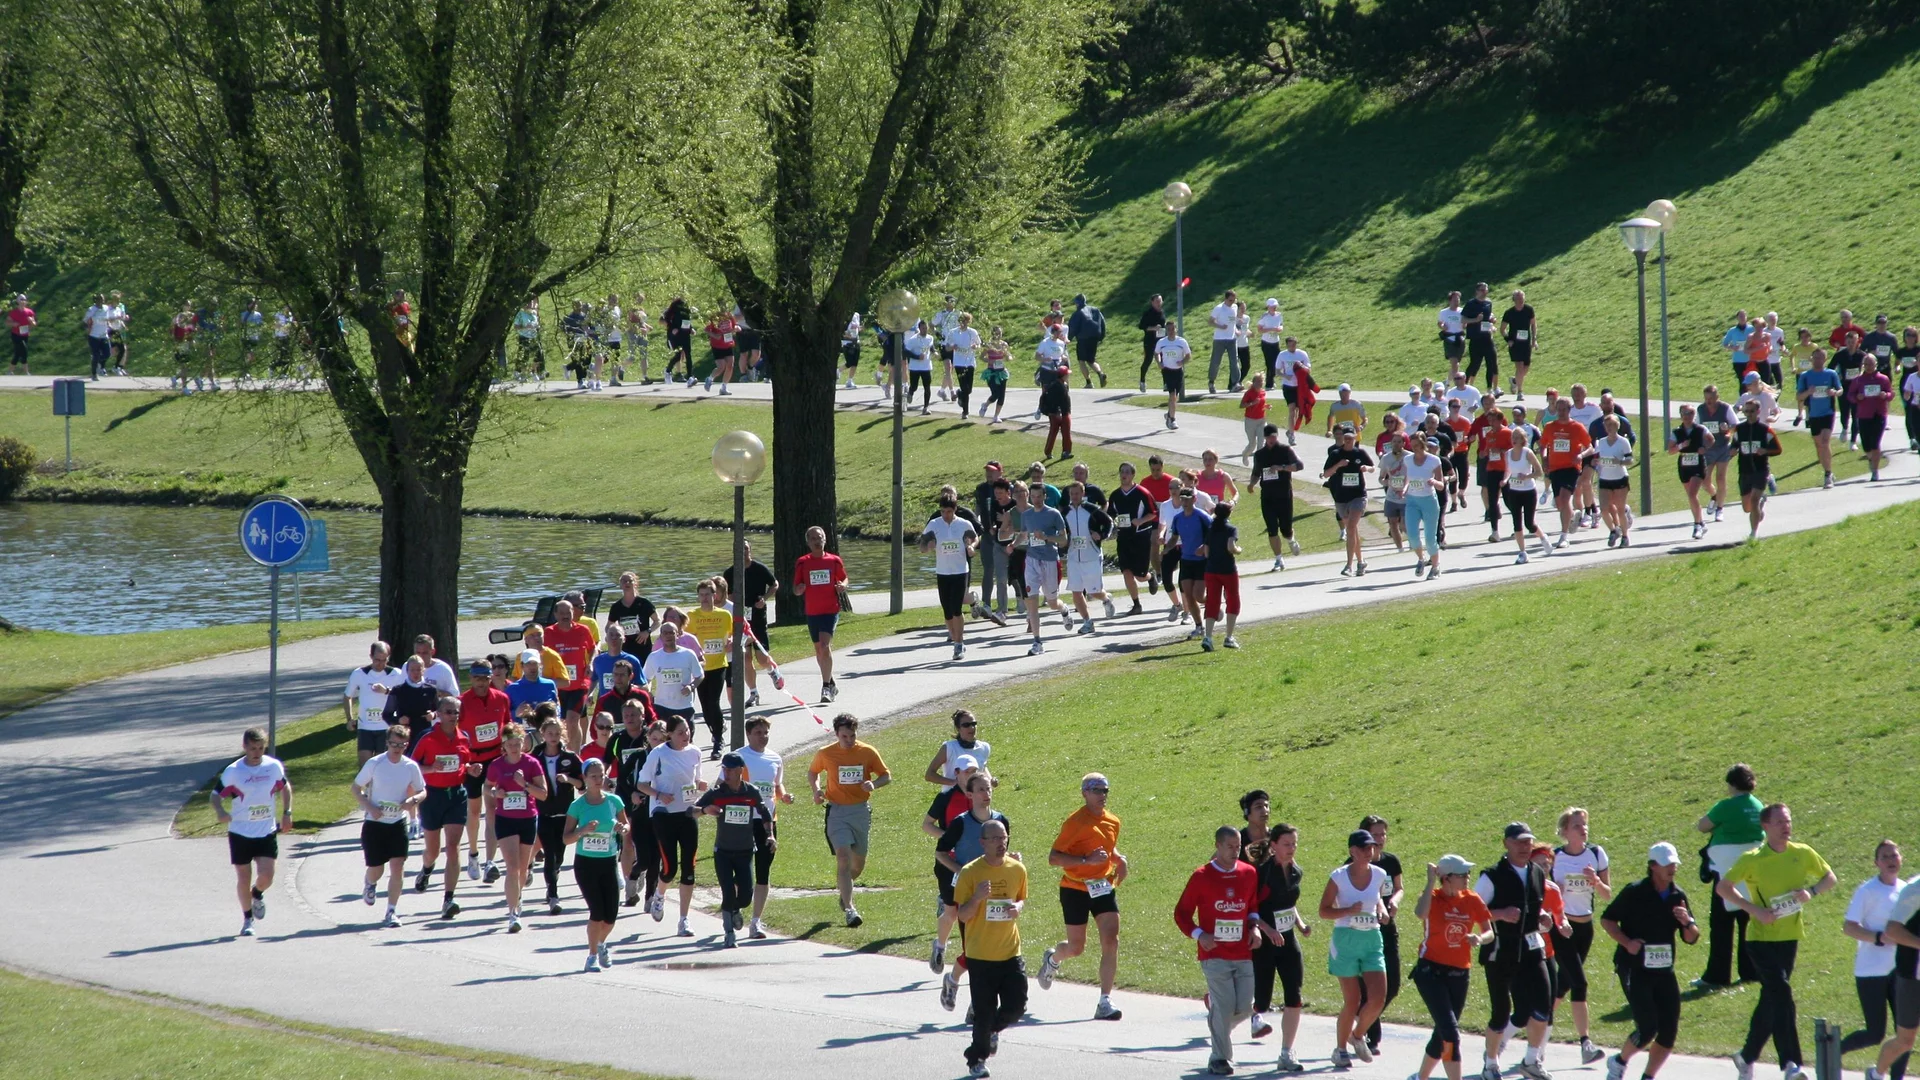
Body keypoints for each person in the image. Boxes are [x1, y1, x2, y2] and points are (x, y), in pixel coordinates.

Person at [1720, 804, 1837, 1080]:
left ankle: (1746, 1056)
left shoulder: (1802, 853)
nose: (1786, 826)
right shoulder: (1753, 858)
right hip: (1760, 940)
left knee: (1771, 1000)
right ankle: (1790, 1064)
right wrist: (1754, 910)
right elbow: (1724, 887)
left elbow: (1829, 878)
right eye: (1780, 822)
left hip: (1789, 938)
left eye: (1788, 821)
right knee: (1782, 994)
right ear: (1765, 826)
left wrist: (1811, 892)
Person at [1600, 843, 1701, 1080]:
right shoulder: (1635, 892)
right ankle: (1619, 1062)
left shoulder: (1678, 895)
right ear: (1653, 866)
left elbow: (1692, 937)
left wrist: (1687, 922)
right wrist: (1627, 942)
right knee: (1647, 1028)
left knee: (1669, 1031)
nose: (1672, 868)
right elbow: (1608, 920)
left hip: (1664, 971)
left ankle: (1648, 1076)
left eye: (1674, 863)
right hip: (1634, 968)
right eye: (1666, 864)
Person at [1037, 773, 1128, 1021]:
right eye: (1096, 790)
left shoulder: (1113, 821)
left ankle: (1104, 1000)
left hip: (1103, 886)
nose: (1102, 795)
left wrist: (1119, 859)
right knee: (1076, 948)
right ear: (1084, 793)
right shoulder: (1074, 823)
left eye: (1105, 790)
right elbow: (1054, 857)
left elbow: (1107, 846)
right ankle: (1053, 958)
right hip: (1074, 888)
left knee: (1111, 940)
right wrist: (1086, 861)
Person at [1176, 826, 1260, 1077]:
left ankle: (1216, 1020)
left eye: (1238, 846)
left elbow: (1252, 905)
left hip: (1243, 952)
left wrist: (1254, 928)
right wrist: (1200, 935)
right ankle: (1220, 1058)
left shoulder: (1249, 873)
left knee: (1245, 1007)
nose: (1235, 852)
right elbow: (1181, 914)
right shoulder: (1202, 876)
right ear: (1218, 846)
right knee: (1224, 1008)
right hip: (1214, 954)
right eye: (1230, 846)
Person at [1476, 822, 1554, 1080]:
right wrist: (1500, 914)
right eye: (1519, 841)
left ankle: (1531, 1060)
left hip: (1532, 948)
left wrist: (1543, 918)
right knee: (1500, 1012)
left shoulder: (1537, 872)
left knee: (1543, 1005)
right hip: (1501, 949)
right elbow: (1472, 911)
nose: (1524, 846)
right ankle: (1490, 1064)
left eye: (1528, 841)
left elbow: (1536, 905)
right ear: (1506, 843)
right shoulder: (1491, 876)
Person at [955, 818, 1027, 1078]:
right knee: (983, 1013)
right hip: (980, 955)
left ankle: (991, 1031)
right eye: (995, 839)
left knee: (1017, 1006)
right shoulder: (970, 873)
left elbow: (1020, 899)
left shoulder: (1017, 869)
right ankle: (976, 1059)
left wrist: (1018, 908)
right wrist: (976, 898)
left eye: (1004, 837)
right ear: (982, 842)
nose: (1001, 843)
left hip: (1010, 952)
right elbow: (962, 915)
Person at [1241, 800, 1310, 1071]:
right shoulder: (1261, 873)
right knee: (1262, 999)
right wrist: (1267, 930)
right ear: (1273, 846)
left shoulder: (1296, 871)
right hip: (1264, 942)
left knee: (1294, 995)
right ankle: (1224, 1022)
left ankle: (1287, 1052)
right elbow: (1251, 906)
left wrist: (1301, 924)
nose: (1292, 849)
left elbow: (1288, 903)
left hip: (1288, 941)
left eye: (1294, 844)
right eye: (1287, 844)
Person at [1412, 855, 1494, 1080]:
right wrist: (1430, 882)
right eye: (1462, 874)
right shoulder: (1433, 897)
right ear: (1446, 878)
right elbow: (1420, 913)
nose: (1468, 877)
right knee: (1451, 1033)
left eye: (1468, 873)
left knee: (1442, 1033)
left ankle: (1421, 1077)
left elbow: (1489, 931)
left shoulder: (1472, 899)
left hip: (1460, 973)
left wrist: (1479, 938)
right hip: (1431, 972)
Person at [810, 713, 891, 927]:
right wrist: (817, 790)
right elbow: (813, 772)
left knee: (858, 863)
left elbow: (886, 775)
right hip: (837, 812)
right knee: (843, 858)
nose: (849, 740)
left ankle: (845, 891)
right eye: (845, 736)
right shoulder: (826, 753)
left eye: (852, 735)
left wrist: (874, 784)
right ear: (836, 734)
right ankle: (850, 909)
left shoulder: (867, 751)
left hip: (860, 812)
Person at [213, 727, 292, 937]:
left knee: (267, 876)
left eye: (260, 748)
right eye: (252, 748)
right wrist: (220, 811)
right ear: (244, 747)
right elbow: (215, 795)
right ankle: (247, 919)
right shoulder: (233, 771)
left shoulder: (273, 767)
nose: (257, 753)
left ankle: (257, 893)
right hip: (240, 832)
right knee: (243, 877)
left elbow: (285, 788)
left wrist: (287, 813)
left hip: (266, 830)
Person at [1844, 841, 1913, 1080]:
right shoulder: (1867, 891)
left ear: (1901, 859)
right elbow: (1849, 927)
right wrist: (1878, 938)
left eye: (1894, 855)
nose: (1891, 860)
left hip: (1900, 971)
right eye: (1884, 857)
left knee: (1904, 1034)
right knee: (1875, 1033)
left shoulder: (1906, 890)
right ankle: (1831, 1052)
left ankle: (1894, 1076)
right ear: (1877, 863)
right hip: (1870, 970)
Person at [632, 714, 706, 935]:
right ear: (670, 734)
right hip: (662, 813)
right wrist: (659, 794)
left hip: (687, 813)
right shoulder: (658, 754)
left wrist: (700, 786)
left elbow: (696, 782)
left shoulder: (695, 753)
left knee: (689, 868)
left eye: (687, 731)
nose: (686, 735)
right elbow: (642, 784)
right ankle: (659, 895)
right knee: (670, 867)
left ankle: (684, 920)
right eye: (681, 732)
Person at [1550, 808, 1613, 1064]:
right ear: (1565, 831)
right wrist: (1557, 890)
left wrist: (1595, 881)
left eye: (1584, 824)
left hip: (1585, 929)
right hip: (1561, 927)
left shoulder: (1596, 854)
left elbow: (1608, 895)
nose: (1583, 829)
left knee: (1561, 985)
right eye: (1576, 825)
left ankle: (1532, 1028)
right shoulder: (1555, 858)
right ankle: (1586, 1043)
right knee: (1579, 983)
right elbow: (1542, 893)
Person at [1694, 763, 1764, 986]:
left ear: (1732, 784)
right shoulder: (1757, 805)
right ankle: (1750, 970)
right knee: (1747, 920)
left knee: (1721, 923)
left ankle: (1717, 974)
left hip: (1726, 870)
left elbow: (1702, 826)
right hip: (1751, 873)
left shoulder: (1725, 806)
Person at [350, 723, 425, 927]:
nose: (396, 748)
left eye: (401, 745)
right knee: (377, 869)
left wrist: (413, 801)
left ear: (406, 745)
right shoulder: (375, 763)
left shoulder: (410, 767)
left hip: (397, 823)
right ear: (386, 743)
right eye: (393, 744)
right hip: (374, 824)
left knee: (398, 866)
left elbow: (422, 790)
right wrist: (370, 807)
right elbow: (356, 788)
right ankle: (370, 883)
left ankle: (391, 911)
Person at [410, 700, 479, 919]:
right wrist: (431, 768)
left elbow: (464, 763)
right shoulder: (427, 737)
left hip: (456, 795)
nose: (453, 716)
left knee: (452, 846)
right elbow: (411, 767)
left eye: (456, 712)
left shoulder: (464, 738)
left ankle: (448, 899)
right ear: (439, 714)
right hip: (432, 796)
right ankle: (427, 869)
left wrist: (472, 769)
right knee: (433, 850)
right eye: (448, 712)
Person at [696, 752, 771, 948]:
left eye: (730, 769)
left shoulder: (751, 792)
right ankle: (729, 933)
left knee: (746, 895)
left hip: (745, 851)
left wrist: (769, 834)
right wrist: (705, 810)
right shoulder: (717, 793)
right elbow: (691, 811)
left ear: (740, 770)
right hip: (723, 852)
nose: (726, 773)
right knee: (728, 892)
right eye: (724, 769)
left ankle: (736, 909)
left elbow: (765, 813)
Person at [565, 758, 629, 971]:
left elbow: (625, 824)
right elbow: (566, 838)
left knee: (611, 916)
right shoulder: (578, 806)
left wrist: (622, 828)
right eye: (593, 776)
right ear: (584, 778)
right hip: (586, 864)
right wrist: (582, 831)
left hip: (609, 862)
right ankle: (592, 955)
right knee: (597, 912)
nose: (599, 779)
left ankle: (601, 943)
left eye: (601, 775)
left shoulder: (614, 801)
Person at [483, 723, 548, 933]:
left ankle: (517, 900)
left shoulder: (532, 764)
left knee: (521, 868)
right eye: (510, 744)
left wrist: (524, 785)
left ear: (524, 743)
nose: (514, 747)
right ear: (504, 745)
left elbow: (543, 794)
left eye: (517, 743)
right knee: (511, 867)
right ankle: (513, 913)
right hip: (505, 819)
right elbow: (486, 786)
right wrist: (495, 793)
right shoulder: (496, 765)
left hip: (527, 818)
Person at [737, 717, 791, 939]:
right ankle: (735, 907)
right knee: (741, 868)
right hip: (743, 820)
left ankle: (756, 922)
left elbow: (776, 786)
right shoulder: (738, 757)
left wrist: (785, 795)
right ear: (749, 734)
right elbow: (724, 785)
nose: (763, 736)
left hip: (768, 821)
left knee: (763, 870)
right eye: (758, 732)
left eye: (766, 732)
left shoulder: (775, 758)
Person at [459, 659, 513, 881]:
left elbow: (508, 726)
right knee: (474, 810)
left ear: (491, 677)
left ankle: (490, 861)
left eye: (485, 678)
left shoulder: (501, 698)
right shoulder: (462, 702)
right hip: (473, 762)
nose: (481, 683)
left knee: (492, 809)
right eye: (477, 678)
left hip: (494, 759)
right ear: (471, 678)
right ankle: (473, 853)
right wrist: (466, 763)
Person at [1863, 876, 1920, 1080]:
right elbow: (1893, 930)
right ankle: (1876, 1074)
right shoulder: (1915, 889)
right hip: (1912, 976)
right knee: (1905, 1041)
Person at [530, 714, 583, 916]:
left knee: (559, 854)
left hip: (565, 813)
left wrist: (568, 779)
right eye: (549, 733)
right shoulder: (534, 757)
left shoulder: (570, 757)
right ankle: (553, 894)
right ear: (542, 734)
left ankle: (553, 877)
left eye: (557, 733)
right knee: (550, 854)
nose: (553, 737)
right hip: (543, 812)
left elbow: (583, 784)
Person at [792, 526, 849, 702]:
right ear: (808, 542)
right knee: (819, 650)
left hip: (830, 609)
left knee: (825, 646)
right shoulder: (803, 562)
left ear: (825, 539)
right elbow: (795, 588)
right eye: (813, 539)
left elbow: (844, 578)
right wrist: (799, 589)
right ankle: (830, 681)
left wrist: (843, 586)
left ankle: (825, 689)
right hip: (812, 611)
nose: (817, 541)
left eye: (820, 538)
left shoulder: (834, 560)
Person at [683, 580, 734, 759]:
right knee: (705, 707)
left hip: (719, 664)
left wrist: (733, 641)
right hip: (700, 667)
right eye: (702, 595)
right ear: (698, 596)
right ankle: (717, 728)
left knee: (714, 702)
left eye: (708, 594)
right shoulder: (691, 616)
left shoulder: (724, 615)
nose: (705, 598)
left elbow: (735, 633)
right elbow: (685, 639)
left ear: (715, 596)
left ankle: (718, 740)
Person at [1017, 480, 1070, 656]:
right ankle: (1037, 641)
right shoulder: (1027, 515)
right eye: (1033, 497)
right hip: (1032, 560)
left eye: (1040, 496)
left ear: (1045, 496)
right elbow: (1024, 534)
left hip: (1049, 561)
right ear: (1030, 497)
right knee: (1031, 601)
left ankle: (1064, 609)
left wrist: (1047, 537)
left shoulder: (1054, 514)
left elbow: (1063, 540)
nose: (1037, 499)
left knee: (1052, 602)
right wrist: (1013, 544)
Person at [1248, 424, 1304, 571]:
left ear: (1277, 436)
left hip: (1284, 495)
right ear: (1265, 438)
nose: (1271, 439)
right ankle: (1279, 559)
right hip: (1267, 496)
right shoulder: (1259, 454)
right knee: (1272, 529)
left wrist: (1282, 468)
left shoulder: (1285, 450)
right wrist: (1251, 484)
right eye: (1268, 437)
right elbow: (1256, 472)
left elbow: (1299, 465)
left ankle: (1291, 540)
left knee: (1285, 529)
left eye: (1273, 436)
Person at [1107, 463, 1159, 614]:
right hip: (1124, 537)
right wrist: (1112, 525)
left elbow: (1153, 512)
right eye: (1122, 471)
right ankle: (1136, 604)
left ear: (1133, 475)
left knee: (1139, 575)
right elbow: (1111, 514)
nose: (1124, 475)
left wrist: (1140, 521)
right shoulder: (1115, 495)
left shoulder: (1142, 493)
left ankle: (1150, 577)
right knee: (1126, 571)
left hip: (1141, 536)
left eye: (1127, 472)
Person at [1325, 425, 1374, 576]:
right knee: (1353, 531)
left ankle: (1348, 565)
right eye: (1345, 439)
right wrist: (1338, 465)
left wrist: (1366, 468)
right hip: (1341, 497)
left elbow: (1372, 467)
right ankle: (1361, 561)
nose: (1348, 441)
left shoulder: (1360, 452)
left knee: (1351, 527)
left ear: (1355, 438)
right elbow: (1326, 474)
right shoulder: (1335, 454)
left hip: (1358, 496)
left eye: (1351, 439)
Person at [1732, 398, 1783, 543]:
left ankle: (1753, 534)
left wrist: (1765, 451)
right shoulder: (1739, 429)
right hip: (1744, 471)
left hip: (1760, 470)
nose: (1749, 414)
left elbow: (1778, 450)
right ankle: (1761, 503)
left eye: (1752, 411)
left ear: (1758, 412)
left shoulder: (1765, 430)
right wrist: (1732, 451)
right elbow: (1734, 445)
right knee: (1747, 508)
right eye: (1746, 411)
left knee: (1753, 502)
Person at [344, 640, 400, 765]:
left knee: (382, 767)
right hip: (365, 727)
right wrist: (349, 719)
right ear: (371, 657)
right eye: (377, 660)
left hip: (386, 727)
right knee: (365, 768)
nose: (380, 664)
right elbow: (347, 696)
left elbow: (404, 696)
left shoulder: (396, 674)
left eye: (384, 660)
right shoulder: (359, 673)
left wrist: (386, 691)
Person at [1500, 430, 1552, 562]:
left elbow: (1539, 472)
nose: (1514, 440)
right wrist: (1505, 480)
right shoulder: (1508, 454)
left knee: (1529, 523)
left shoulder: (1527, 453)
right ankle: (1522, 553)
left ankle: (1543, 538)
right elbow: (1508, 470)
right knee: (1516, 523)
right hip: (1514, 491)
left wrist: (1527, 476)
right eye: (1513, 437)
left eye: (1517, 437)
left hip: (1528, 491)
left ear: (1523, 439)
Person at [1585, 415, 1635, 548]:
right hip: (1605, 479)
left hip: (1619, 479)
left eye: (1612, 425)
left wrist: (1620, 462)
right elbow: (1595, 458)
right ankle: (1614, 530)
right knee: (1604, 509)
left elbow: (1630, 460)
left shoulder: (1623, 441)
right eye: (1607, 426)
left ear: (1617, 426)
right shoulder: (1601, 442)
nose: (1610, 428)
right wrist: (1595, 462)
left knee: (1619, 509)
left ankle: (1625, 536)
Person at [1797, 348, 1843, 488]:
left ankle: (1828, 474)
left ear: (1825, 359)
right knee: (1818, 444)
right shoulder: (1805, 376)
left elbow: (1840, 390)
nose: (1818, 360)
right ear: (1812, 359)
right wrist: (1808, 392)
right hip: (1814, 414)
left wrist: (1834, 392)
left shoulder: (1831, 374)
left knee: (1824, 441)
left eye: (1821, 358)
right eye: (1815, 358)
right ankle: (1826, 468)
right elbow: (1799, 397)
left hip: (1828, 412)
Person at [1201, 501, 1243, 649]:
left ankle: (1208, 637)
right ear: (1229, 513)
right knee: (1232, 600)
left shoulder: (1211, 529)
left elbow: (1206, 552)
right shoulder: (1231, 529)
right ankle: (1229, 637)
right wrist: (1239, 550)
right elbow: (1230, 547)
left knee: (1212, 601)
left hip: (1211, 570)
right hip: (1228, 569)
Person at [1404, 435, 1447, 580]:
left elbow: (1441, 485)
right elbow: (1407, 479)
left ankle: (1435, 566)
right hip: (1412, 501)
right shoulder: (1408, 460)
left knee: (1430, 538)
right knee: (1412, 536)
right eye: (1412, 444)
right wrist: (1404, 489)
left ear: (1423, 444)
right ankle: (1421, 559)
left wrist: (1434, 481)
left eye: (1417, 444)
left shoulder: (1434, 460)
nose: (1414, 447)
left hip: (1429, 501)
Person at [1668, 405, 1710, 540]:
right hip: (1684, 465)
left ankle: (1697, 525)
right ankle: (1701, 522)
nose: (1687, 416)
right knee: (1691, 497)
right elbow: (1670, 450)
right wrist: (1681, 445)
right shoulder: (1677, 432)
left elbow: (1711, 440)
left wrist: (1704, 448)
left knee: (1692, 494)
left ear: (1694, 415)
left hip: (1698, 464)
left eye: (1690, 413)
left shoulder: (1701, 429)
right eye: (1684, 413)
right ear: (1680, 415)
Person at [1697, 385, 1737, 522]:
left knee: (1720, 478)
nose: (1709, 401)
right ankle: (1715, 496)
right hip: (1708, 449)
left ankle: (1720, 508)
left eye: (1711, 398)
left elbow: (1735, 425)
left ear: (1717, 397)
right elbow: (1698, 427)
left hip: (1723, 447)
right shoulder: (1701, 410)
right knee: (1705, 481)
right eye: (1706, 398)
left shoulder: (1725, 408)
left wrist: (1727, 429)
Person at [1853, 355, 1894, 482]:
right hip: (1864, 414)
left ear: (1876, 364)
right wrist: (1857, 397)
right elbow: (1850, 394)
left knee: (1875, 443)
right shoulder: (1858, 380)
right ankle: (1871, 458)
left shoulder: (1883, 379)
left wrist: (1885, 395)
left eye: (1871, 364)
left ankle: (1875, 471)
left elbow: (1891, 394)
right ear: (1863, 365)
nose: (1869, 366)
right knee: (1866, 445)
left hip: (1879, 414)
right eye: (1866, 364)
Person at [607, 571, 658, 654]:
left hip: (643, 647)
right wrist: (613, 635)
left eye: (630, 581)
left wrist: (647, 632)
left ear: (635, 584)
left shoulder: (644, 603)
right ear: (620, 585)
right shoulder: (616, 607)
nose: (627, 583)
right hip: (625, 648)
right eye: (624, 581)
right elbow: (608, 626)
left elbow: (657, 621)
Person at [1067, 293, 1108, 388]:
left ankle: (1089, 382)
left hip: (1083, 339)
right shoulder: (1095, 310)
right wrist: (1101, 336)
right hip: (1094, 338)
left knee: (1081, 361)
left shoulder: (1078, 313)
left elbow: (1073, 328)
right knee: (1091, 360)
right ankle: (1100, 373)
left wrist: (1068, 338)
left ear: (1077, 303)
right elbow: (1103, 323)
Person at [1503, 291, 1538, 399]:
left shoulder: (1529, 310)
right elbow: (1502, 329)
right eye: (1518, 298)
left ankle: (1515, 381)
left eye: (1522, 297)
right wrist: (1508, 340)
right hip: (1515, 343)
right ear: (1514, 300)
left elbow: (1533, 325)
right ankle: (1520, 392)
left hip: (1526, 342)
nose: (1520, 300)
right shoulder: (1509, 312)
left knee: (1526, 367)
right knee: (1520, 366)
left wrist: (1534, 339)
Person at [1158, 321, 1193, 430]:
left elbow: (1188, 355)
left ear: (1176, 330)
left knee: (1175, 397)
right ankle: (1172, 420)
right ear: (1166, 330)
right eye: (1168, 329)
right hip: (1167, 371)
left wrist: (1182, 362)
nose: (1171, 332)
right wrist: (1159, 362)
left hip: (1178, 371)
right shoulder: (1162, 342)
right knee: (1172, 395)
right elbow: (1156, 353)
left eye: (1173, 329)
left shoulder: (1181, 342)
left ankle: (1169, 414)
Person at [1274, 336, 1309, 442]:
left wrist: (1302, 367)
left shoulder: (1302, 354)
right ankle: (1292, 435)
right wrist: (1285, 376)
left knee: (1298, 410)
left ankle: (1290, 430)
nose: (1292, 347)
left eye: (1294, 345)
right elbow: (1277, 371)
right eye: (1290, 345)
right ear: (1287, 345)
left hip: (1300, 386)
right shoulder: (1282, 355)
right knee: (1292, 409)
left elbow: (1308, 369)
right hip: (1288, 385)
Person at [948, 312, 980, 417]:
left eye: (966, 321)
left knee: (968, 389)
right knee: (964, 387)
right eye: (962, 321)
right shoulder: (953, 332)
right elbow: (947, 346)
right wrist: (952, 346)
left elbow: (979, 344)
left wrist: (976, 346)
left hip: (970, 362)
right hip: (959, 363)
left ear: (968, 321)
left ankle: (959, 394)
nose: (963, 323)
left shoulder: (972, 332)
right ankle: (965, 412)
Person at [1207, 289, 1240, 393]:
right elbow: (1210, 322)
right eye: (1230, 300)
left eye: (1234, 300)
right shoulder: (1219, 308)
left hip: (1232, 338)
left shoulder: (1234, 307)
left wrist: (1236, 330)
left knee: (1234, 361)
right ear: (1225, 299)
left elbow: (1233, 322)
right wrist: (1220, 326)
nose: (1232, 302)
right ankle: (1211, 382)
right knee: (1216, 362)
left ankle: (1236, 383)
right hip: (1220, 339)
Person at [1138, 294, 1167, 392]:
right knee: (1148, 360)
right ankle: (1142, 381)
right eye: (1157, 301)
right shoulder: (1148, 313)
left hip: (1161, 340)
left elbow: (1163, 325)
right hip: (1150, 340)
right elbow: (1141, 326)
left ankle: (1166, 383)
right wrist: (1153, 328)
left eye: (1160, 301)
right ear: (1152, 302)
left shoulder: (1162, 312)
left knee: (1164, 360)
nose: (1159, 303)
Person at [1239, 375, 1269, 460]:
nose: (1259, 383)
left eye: (1261, 381)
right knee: (1252, 444)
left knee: (1261, 442)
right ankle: (1245, 454)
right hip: (1250, 421)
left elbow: (1262, 404)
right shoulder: (1249, 393)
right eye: (1257, 381)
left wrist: (1266, 406)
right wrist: (1252, 403)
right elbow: (1241, 405)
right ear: (1254, 382)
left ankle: (1260, 461)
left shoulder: (1263, 392)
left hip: (1262, 420)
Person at [1256, 299, 1285, 386]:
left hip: (1275, 342)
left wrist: (1280, 329)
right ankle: (1269, 383)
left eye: (1275, 306)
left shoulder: (1279, 315)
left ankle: (1271, 378)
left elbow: (1281, 325)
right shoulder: (1264, 316)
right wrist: (1272, 329)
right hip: (1266, 343)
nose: (1274, 308)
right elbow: (1259, 329)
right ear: (1268, 307)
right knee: (1269, 363)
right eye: (1272, 306)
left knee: (1277, 362)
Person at [1438, 291, 1466, 380]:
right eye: (1454, 300)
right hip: (1449, 339)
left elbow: (1465, 324)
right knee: (1454, 362)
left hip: (1460, 338)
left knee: (1456, 363)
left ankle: (1448, 382)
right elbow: (1439, 323)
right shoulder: (1444, 312)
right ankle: (1455, 382)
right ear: (1450, 301)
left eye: (1458, 299)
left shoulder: (1462, 311)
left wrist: (1465, 324)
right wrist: (1443, 327)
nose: (1457, 301)